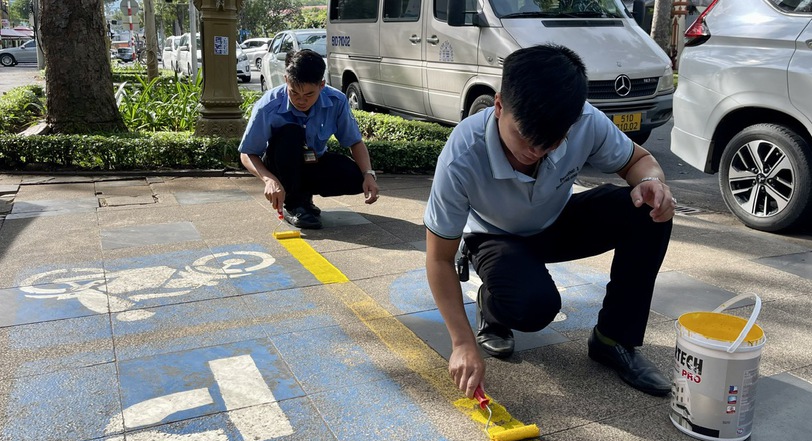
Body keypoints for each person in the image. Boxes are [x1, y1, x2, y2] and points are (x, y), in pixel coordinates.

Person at [423, 44, 675, 399]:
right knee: (534, 307)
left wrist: (653, 182)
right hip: (495, 236)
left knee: (649, 211)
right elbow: (438, 258)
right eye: (526, 138)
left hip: (554, 220)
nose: (536, 152)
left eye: (552, 143)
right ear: (498, 106)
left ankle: (612, 339)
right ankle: (493, 304)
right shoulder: (462, 155)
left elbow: (640, 160)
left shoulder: (584, 120)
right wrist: (462, 343)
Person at [239, 49, 379, 229]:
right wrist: (269, 180)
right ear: (286, 80)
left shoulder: (336, 101)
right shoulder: (268, 106)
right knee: (290, 132)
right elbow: (247, 153)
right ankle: (294, 204)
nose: (301, 101)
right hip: (279, 165)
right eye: (294, 93)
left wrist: (369, 175)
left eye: (309, 95)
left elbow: (355, 142)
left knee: (355, 177)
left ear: (321, 84)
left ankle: (303, 198)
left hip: (313, 161)